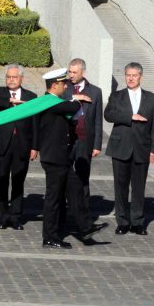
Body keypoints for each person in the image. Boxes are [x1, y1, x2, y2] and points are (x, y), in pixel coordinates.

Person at [36, 68, 103, 249]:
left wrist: (74, 98)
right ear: (55, 85)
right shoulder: (49, 102)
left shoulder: (54, 101)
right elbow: (72, 107)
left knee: (75, 190)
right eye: (63, 84)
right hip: (54, 158)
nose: (66, 87)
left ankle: (86, 226)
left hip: (61, 158)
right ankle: (49, 237)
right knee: (54, 199)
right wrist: (77, 98)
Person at [104, 63, 154, 236]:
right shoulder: (117, 96)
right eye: (128, 75)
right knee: (120, 187)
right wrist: (129, 116)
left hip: (141, 148)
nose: (130, 78)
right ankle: (122, 221)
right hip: (120, 147)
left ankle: (137, 222)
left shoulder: (152, 98)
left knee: (139, 187)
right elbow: (108, 115)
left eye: (134, 75)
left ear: (140, 77)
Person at [0, 64, 38, 231]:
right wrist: (9, 101)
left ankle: (15, 216)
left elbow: (35, 123)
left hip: (22, 144)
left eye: (14, 77)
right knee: (1, 181)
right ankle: (2, 216)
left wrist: (35, 147)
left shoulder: (31, 96)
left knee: (18, 181)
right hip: (2, 144)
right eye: (8, 77)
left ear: (21, 78)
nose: (11, 80)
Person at [64, 59, 104, 237]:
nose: (71, 75)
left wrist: (97, 144)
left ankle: (84, 216)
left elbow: (97, 120)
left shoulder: (95, 91)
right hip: (66, 139)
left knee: (82, 179)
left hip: (84, 140)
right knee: (64, 177)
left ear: (83, 73)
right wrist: (75, 98)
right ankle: (64, 213)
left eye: (74, 72)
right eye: (69, 71)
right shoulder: (64, 88)